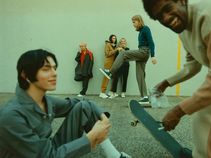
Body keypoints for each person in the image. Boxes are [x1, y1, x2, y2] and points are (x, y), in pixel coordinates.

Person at [141, 0, 211, 157]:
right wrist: (165, 83)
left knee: (206, 117)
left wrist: (178, 111)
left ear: (182, 1)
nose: (165, 18)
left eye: (167, 8)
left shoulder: (209, 14)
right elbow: (193, 65)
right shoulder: (183, 31)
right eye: (159, 17)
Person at [0, 49, 131, 158]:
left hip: (48, 150)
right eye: (46, 69)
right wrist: (91, 138)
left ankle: (114, 156)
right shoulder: (11, 116)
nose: (54, 73)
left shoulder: (45, 101)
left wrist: (102, 117)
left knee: (84, 107)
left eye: (54, 68)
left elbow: (79, 103)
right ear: (25, 75)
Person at [100, 15, 157, 104]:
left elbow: (151, 42)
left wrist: (153, 55)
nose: (133, 24)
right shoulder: (141, 31)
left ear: (138, 21)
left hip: (144, 52)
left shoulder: (145, 28)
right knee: (140, 75)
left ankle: (110, 72)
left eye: (134, 22)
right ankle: (145, 97)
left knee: (123, 53)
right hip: (142, 53)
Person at [99, 34, 123, 99]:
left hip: (113, 64)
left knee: (112, 77)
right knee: (106, 78)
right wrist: (116, 50)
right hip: (108, 63)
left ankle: (111, 92)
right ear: (110, 39)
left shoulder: (114, 46)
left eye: (115, 38)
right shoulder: (108, 45)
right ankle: (102, 93)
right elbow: (107, 54)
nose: (114, 39)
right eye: (113, 38)